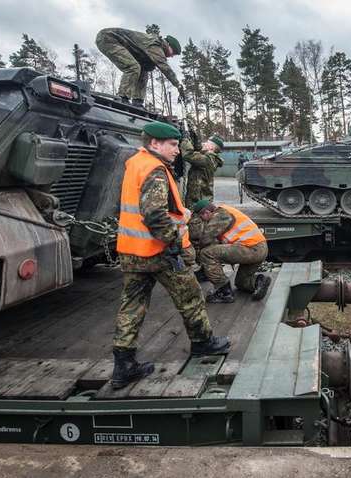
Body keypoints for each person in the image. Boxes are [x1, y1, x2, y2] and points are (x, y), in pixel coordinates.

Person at [112, 121, 229, 390]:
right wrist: (174, 242)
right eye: (173, 145)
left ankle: (123, 365)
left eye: (178, 144)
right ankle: (202, 343)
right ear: (155, 143)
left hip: (132, 251)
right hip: (159, 251)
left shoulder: (135, 163)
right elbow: (154, 214)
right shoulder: (155, 169)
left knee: (131, 306)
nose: (177, 150)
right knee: (190, 296)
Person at [189, 200, 271, 303]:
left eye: (201, 217)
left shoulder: (220, 215)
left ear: (206, 213)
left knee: (206, 253)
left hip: (252, 249)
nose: (202, 220)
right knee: (241, 283)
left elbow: (205, 239)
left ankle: (224, 291)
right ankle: (259, 281)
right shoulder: (224, 211)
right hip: (258, 248)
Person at [95, 27, 184, 107]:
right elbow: (165, 68)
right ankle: (122, 97)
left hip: (115, 42)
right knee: (133, 67)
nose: (172, 56)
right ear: (168, 45)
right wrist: (178, 85)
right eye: (173, 53)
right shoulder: (156, 45)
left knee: (143, 70)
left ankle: (138, 101)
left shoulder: (156, 46)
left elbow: (146, 66)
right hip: (108, 38)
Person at [183, 135, 224, 206]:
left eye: (207, 143)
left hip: (199, 203)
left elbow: (188, 154)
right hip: (201, 200)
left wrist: (185, 140)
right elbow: (198, 150)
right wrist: (195, 140)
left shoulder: (206, 160)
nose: (204, 143)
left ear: (211, 147)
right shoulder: (209, 158)